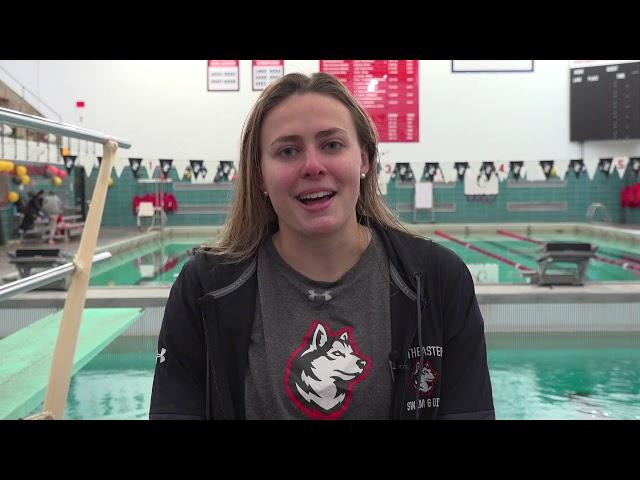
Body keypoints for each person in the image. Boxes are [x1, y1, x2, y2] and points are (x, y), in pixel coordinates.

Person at [149, 72, 494, 420]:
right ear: (259, 176)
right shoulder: (204, 288)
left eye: (331, 145)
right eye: (288, 151)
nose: (312, 166)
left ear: (364, 158)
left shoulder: (437, 281)